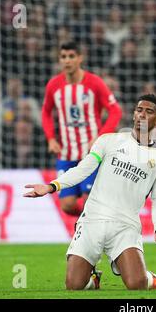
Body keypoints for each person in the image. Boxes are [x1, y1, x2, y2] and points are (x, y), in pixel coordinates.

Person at [25, 94, 156, 291]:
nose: (142, 115)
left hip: (125, 225)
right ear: (133, 114)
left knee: (136, 284)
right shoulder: (108, 141)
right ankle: (93, 279)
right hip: (92, 220)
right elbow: (83, 169)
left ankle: (152, 279)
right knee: (74, 285)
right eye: (139, 110)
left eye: (149, 111)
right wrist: (52, 186)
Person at [42, 42, 122, 216]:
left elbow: (115, 111)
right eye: (63, 57)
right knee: (67, 205)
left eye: (71, 56)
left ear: (80, 58)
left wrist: (100, 137)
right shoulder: (54, 86)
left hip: (91, 153)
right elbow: (46, 112)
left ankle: (87, 228)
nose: (67, 61)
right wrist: (50, 138)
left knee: (89, 200)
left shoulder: (94, 83)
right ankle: (90, 223)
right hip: (66, 154)